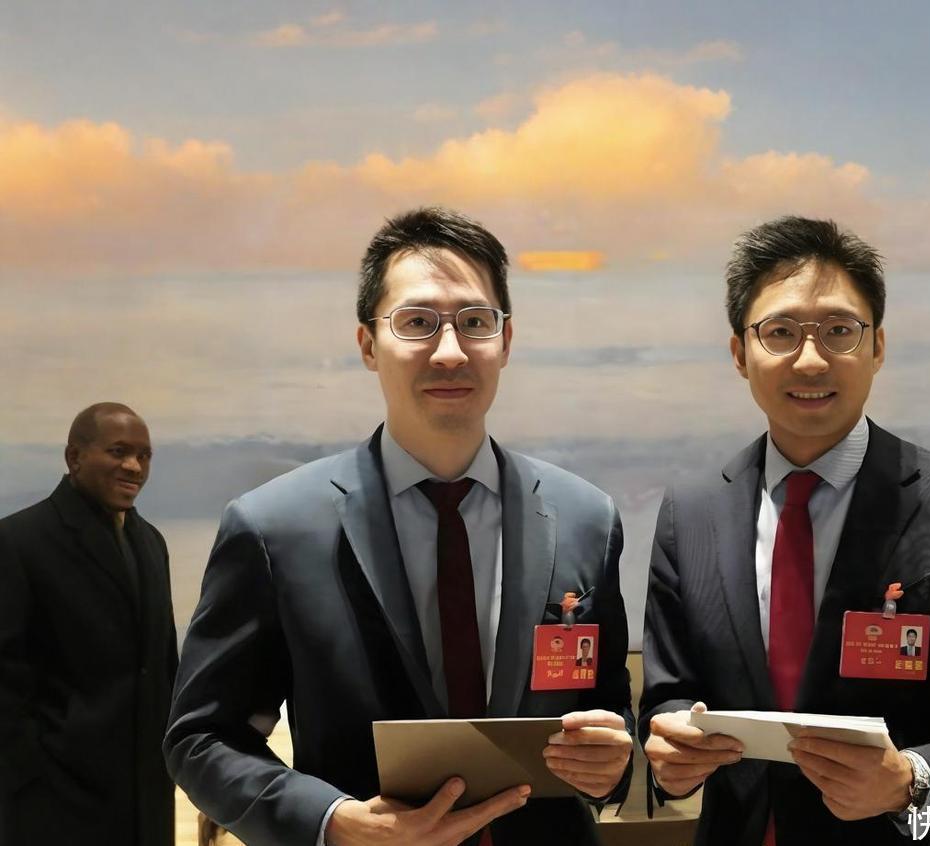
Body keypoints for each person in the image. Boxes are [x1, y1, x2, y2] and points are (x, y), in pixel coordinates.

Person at [165, 207, 633, 846]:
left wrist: (612, 760)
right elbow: (200, 737)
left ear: (506, 341)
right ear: (367, 345)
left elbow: (607, 710)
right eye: (417, 323)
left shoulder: (585, 519)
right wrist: (331, 822)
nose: (450, 351)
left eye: (475, 322)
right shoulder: (275, 528)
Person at [639, 216, 930, 845]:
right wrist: (672, 743)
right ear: (739, 354)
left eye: (839, 331)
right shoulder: (692, 513)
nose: (811, 360)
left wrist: (913, 780)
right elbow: (670, 695)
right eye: (780, 332)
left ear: (877, 348)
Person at [0, 403, 177, 846]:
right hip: (54, 803)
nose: (134, 466)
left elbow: (162, 664)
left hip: (146, 799)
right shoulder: (17, 541)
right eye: (119, 451)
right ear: (74, 457)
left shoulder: (151, 542)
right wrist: (29, 777)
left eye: (144, 455)